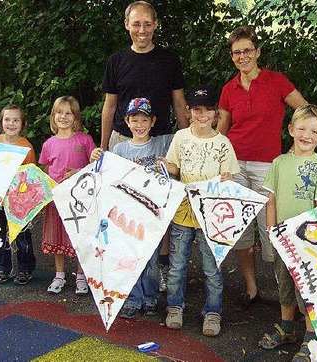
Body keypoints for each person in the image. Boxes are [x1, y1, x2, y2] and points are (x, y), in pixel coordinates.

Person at [218, 26, 308, 309]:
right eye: (236, 53)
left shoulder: (276, 81)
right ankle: (252, 288)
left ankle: (286, 296)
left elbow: (304, 110)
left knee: (272, 228)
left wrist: (299, 147)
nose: (242, 56)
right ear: (232, 57)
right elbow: (222, 130)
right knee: (240, 227)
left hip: (268, 165)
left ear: (257, 52)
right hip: (234, 165)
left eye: (247, 50)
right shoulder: (228, 88)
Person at [100, 1, 187, 283]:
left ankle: (160, 267)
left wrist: (186, 144)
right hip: (123, 143)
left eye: (147, 24)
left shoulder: (169, 60)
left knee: (156, 208)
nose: (142, 30)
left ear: (156, 24)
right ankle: (127, 270)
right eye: (136, 24)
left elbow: (178, 102)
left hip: (160, 142)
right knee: (123, 206)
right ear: (127, 25)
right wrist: (103, 148)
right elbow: (110, 106)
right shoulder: (116, 61)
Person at [161, 86, 240, 337]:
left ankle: (213, 311)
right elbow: (174, 167)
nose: (202, 115)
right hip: (183, 212)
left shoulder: (223, 143)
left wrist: (227, 178)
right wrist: (164, 166)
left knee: (211, 267)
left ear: (216, 114)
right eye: (197, 110)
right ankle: (175, 307)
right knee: (176, 266)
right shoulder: (181, 137)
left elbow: (229, 177)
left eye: (207, 110)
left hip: (211, 217)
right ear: (189, 112)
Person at [259, 104, 317, 362]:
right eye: (301, 128)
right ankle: (287, 328)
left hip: (306, 244)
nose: (307, 135)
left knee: (308, 289)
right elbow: (272, 199)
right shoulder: (279, 163)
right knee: (284, 285)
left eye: (314, 131)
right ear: (291, 130)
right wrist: (272, 231)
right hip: (282, 239)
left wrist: (313, 242)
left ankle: (311, 337)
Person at [90, 97, 172, 318]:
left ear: (153, 121)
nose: (140, 125)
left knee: (152, 259)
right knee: (130, 257)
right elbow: (105, 173)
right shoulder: (119, 148)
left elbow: (188, 140)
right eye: (134, 120)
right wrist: (96, 156)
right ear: (126, 121)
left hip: (152, 215)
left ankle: (151, 297)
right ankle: (133, 298)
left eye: (144, 119)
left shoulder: (162, 143)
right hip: (127, 216)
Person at [39, 96, 96, 295]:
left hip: (79, 200)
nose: (63, 117)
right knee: (58, 236)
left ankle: (82, 276)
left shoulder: (84, 139)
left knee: (79, 237)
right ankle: (59, 275)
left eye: (68, 113)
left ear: (76, 117)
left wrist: (78, 171)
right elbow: (45, 170)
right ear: (53, 117)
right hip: (56, 200)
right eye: (59, 113)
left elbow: (94, 167)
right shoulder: (49, 143)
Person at [0, 105, 37, 286]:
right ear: (1, 122)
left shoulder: (26, 147)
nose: (11, 123)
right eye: (7, 119)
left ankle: (25, 267)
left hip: (19, 199)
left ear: (22, 124)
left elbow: (31, 176)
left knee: (22, 233)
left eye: (16, 120)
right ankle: (3, 267)